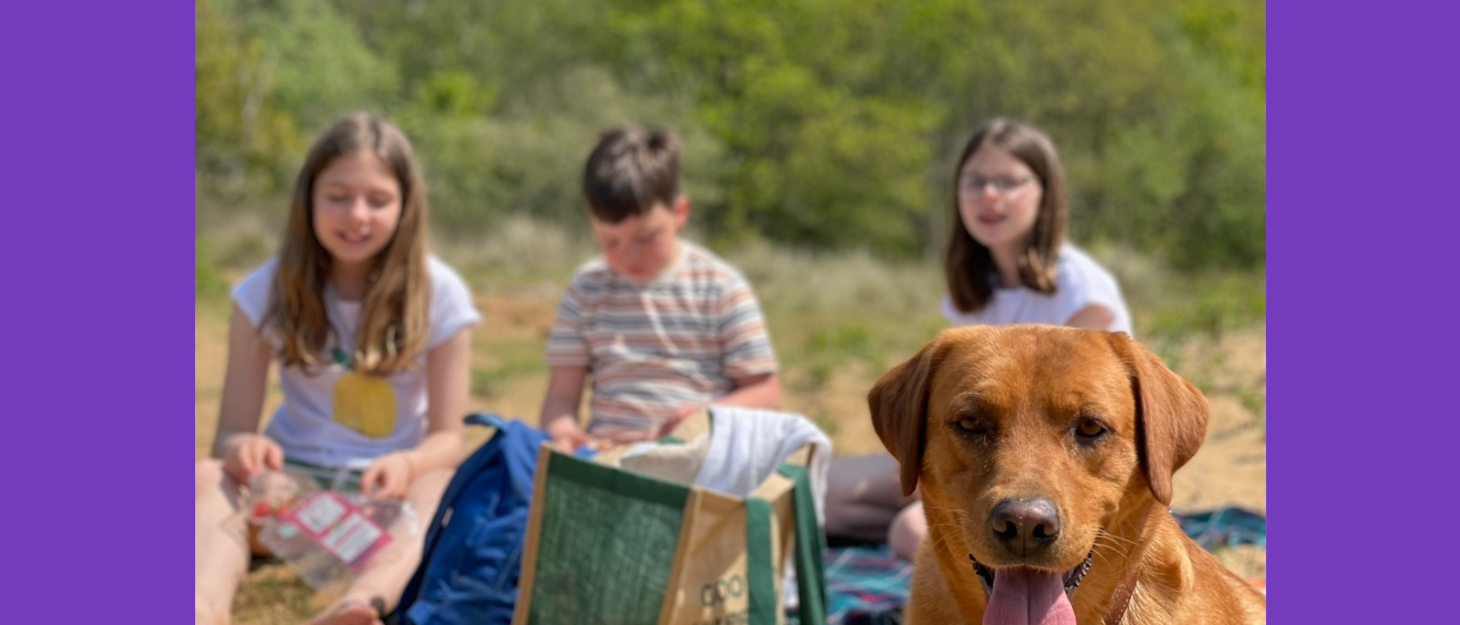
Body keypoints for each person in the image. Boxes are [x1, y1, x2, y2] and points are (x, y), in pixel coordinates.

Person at [194, 113, 481, 625]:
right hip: (286, 500)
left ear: (406, 205)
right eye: (338, 195)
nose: (357, 215)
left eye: (378, 199)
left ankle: (360, 605)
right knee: (205, 479)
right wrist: (247, 452)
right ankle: (200, 608)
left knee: (440, 484)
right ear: (309, 198)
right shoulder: (263, 292)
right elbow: (230, 435)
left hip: (383, 507)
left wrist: (409, 465)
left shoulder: (441, 295)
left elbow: (448, 439)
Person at [824, 117, 1133, 560]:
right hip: (983, 464)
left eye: (1008, 181)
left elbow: (1094, 426)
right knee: (824, 490)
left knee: (911, 530)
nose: (988, 195)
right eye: (975, 182)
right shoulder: (973, 289)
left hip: (1054, 481)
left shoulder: (1082, 291)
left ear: (1045, 191)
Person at [539, 127, 782, 452]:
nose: (629, 255)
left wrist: (705, 416)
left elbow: (767, 394)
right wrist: (564, 431)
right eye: (611, 241)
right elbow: (560, 397)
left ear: (679, 213)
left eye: (646, 238)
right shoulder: (586, 289)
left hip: (697, 456)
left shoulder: (720, 287)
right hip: (609, 458)